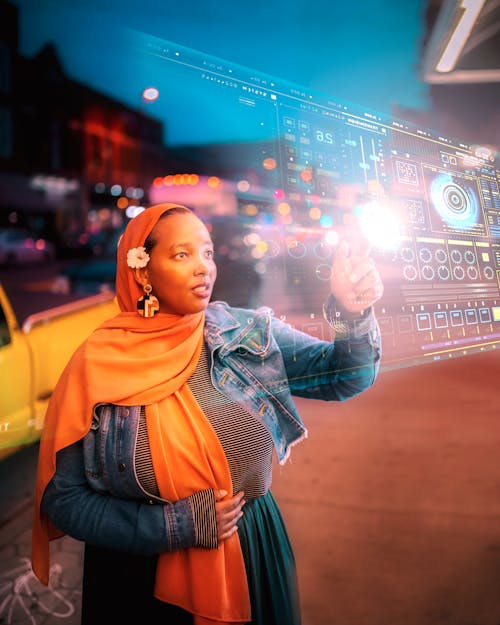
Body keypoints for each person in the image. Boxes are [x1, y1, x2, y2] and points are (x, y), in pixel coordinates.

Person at [32, 202, 383, 625]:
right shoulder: (96, 364)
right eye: (182, 255)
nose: (203, 268)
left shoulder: (244, 333)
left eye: (208, 253)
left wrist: (352, 315)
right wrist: (171, 526)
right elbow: (63, 499)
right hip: (135, 579)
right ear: (142, 271)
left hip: (252, 549)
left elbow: (343, 374)